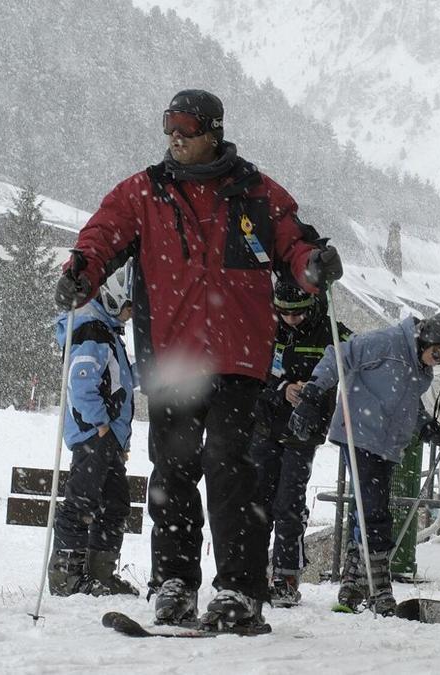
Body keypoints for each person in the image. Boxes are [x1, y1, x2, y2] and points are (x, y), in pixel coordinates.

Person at [53, 89, 343, 632]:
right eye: (169, 128)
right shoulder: (145, 192)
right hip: (171, 360)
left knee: (230, 469)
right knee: (174, 470)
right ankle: (176, 582)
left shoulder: (256, 192)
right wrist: (82, 270)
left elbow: (293, 242)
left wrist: (312, 264)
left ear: (214, 130)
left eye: (186, 127)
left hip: (238, 362)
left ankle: (238, 588)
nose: (175, 137)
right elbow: (101, 235)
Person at [289, 310, 440, 615]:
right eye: (438, 354)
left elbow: (407, 403)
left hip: (387, 445)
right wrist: (313, 393)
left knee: (365, 511)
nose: (436, 362)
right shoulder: (386, 342)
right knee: (374, 512)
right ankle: (379, 586)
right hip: (360, 433)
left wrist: (428, 428)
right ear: (429, 335)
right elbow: (340, 354)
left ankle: (352, 584)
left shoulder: (418, 367)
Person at [249, 282, 352, 607]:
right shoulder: (264, 325)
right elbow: (252, 369)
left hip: (304, 431)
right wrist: (282, 388)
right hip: (266, 423)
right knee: (257, 501)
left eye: (298, 314)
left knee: (289, 503)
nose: (291, 320)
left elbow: (350, 358)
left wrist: (314, 390)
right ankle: (251, 572)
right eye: (284, 313)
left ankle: (286, 575)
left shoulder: (330, 331)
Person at [48, 263, 138, 597]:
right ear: (115, 299)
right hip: (94, 435)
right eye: (128, 307)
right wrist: (100, 423)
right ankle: (66, 577)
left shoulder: (108, 331)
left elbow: (122, 380)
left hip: (110, 436)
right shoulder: (93, 331)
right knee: (81, 501)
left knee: (115, 504)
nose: (130, 315)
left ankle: (101, 572)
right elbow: (81, 382)